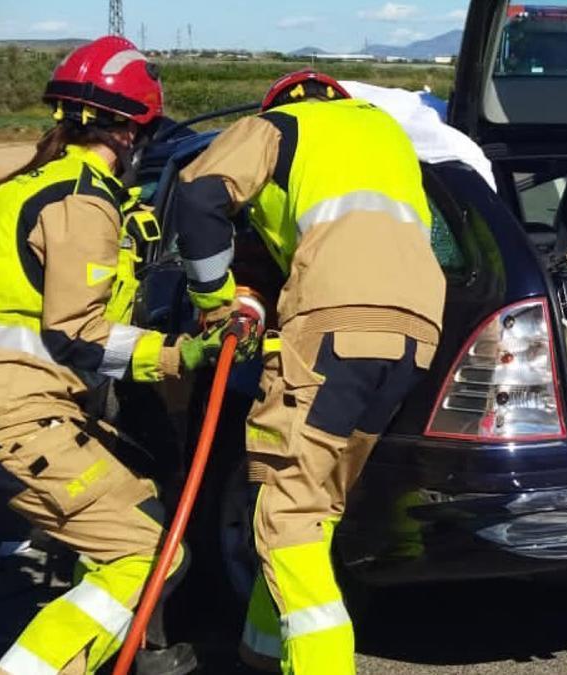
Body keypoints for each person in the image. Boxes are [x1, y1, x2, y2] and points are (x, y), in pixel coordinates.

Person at [0, 36, 243, 675]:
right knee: (147, 549)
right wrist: (184, 355)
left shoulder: (27, 187)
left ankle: (116, 655)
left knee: (130, 513)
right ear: (130, 131)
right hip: (7, 414)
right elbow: (80, 336)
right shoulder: (81, 200)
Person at [165, 69, 445, 674]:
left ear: (286, 102)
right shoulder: (388, 137)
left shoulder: (276, 125)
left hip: (336, 321)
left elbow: (199, 194)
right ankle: (263, 654)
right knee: (315, 507)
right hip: (418, 330)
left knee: (284, 511)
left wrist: (214, 302)